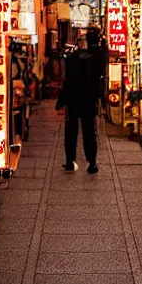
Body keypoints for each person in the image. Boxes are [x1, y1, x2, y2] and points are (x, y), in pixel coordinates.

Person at [56, 27, 106, 174]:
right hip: (88, 99)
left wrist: (63, 98)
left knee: (71, 130)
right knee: (89, 130)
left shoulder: (73, 57)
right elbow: (99, 80)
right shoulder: (98, 57)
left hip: (73, 98)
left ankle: (70, 161)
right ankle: (92, 162)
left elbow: (67, 80)